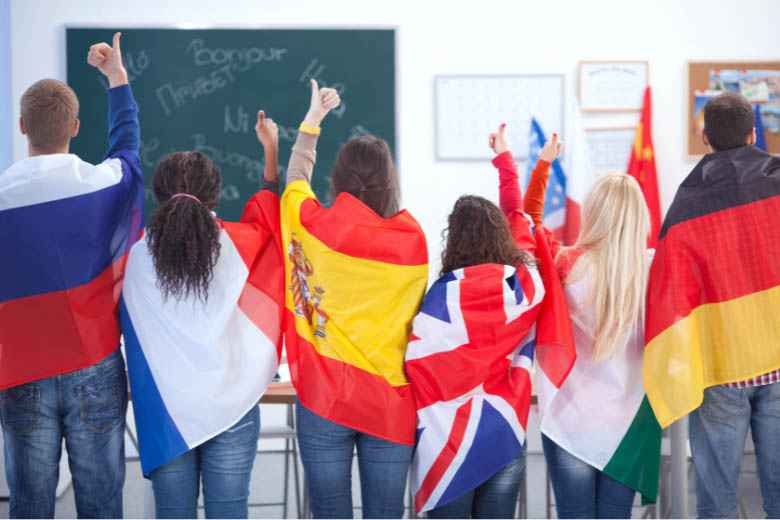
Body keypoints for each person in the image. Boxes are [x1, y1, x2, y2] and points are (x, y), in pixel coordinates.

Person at [0, 33, 142, 518]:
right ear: (76, 127)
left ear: (21, 126)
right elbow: (129, 152)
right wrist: (117, 80)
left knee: (29, 507)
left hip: (21, 369)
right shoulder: (101, 184)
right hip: (95, 363)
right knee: (102, 507)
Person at [120, 110, 284, 519]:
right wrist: (271, 153)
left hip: (164, 412)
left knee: (173, 513)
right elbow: (270, 219)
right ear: (214, 194)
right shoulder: (241, 246)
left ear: (157, 194)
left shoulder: (134, 256)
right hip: (233, 405)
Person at [280, 80, 428, 518]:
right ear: (389, 181)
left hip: (325, 397)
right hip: (390, 399)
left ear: (338, 179)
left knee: (328, 511)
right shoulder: (413, 239)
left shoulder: (312, 225)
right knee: (386, 512)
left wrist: (312, 122)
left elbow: (294, 179)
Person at [404, 124, 565, 519]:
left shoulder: (440, 297)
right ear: (501, 238)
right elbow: (520, 214)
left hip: (446, 439)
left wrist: (511, 160)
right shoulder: (525, 285)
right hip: (502, 429)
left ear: (452, 240)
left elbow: (416, 360)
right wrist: (522, 163)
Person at [502, 125, 661, 518]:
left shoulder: (564, 263)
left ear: (593, 213)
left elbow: (526, 224)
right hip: (629, 422)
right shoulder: (655, 267)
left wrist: (542, 164)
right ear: (638, 216)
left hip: (569, 418)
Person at [644, 90, 780, 518]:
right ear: (753, 133)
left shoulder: (686, 204)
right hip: (779, 358)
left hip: (721, 370)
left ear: (705, 139)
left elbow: (671, 289)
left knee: (717, 500)